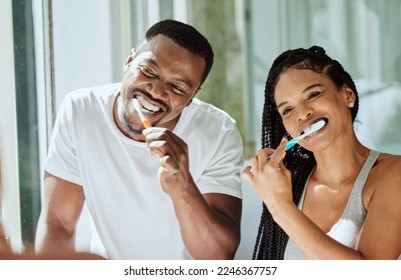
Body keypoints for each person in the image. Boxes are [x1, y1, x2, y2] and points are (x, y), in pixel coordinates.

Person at [35, 19, 244, 260]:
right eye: (148, 71)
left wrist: (183, 188)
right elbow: (58, 224)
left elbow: (218, 258)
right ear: (129, 60)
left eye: (177, 87)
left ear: (191, 97)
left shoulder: (219, 132)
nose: (155, 91)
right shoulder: (80, 110)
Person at [243, 45, 401, 260]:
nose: (302, 113)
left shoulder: (393, 174)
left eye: (313, 94)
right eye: (287, 110)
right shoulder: (289, 185)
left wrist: (280, 206)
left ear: (347, 94)